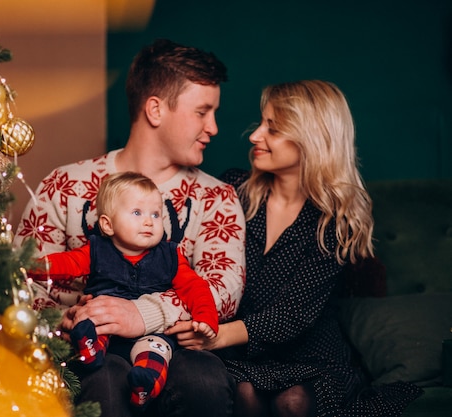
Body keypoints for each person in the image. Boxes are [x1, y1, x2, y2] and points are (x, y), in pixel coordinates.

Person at [13, 38, 245, 417]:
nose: (214, 127)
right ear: (155, 109)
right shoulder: (64, 185)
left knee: (202, 382)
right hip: (93, 348)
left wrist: (143, 314)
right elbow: (25, 277)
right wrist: (66, 320)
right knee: (103, 383)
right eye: (202, 112)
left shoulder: (216, 198)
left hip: (176, 350)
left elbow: (224, 289)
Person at [166, 80, 422, 417]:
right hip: (241, 355)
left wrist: (215, 336)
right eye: (261, 123)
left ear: (311, 139)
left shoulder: (336, 218)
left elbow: (294, 313)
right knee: (243, 392)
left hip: (309, 356)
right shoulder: (234, 190)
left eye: (272, 128)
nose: (255, 136)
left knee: (292, 401)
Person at [29, 171, 218, 409]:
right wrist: (29, 265)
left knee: (156, 350)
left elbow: (195, 287)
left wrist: (206, 318)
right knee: (92, 325)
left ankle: (144, 385)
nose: (149, 221)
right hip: (105, 324)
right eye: (137, 213)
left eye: (156, 214)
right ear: (108, 225)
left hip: (150, 333)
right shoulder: (96, 250)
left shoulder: (169, 256)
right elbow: (65, 264)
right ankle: (89, 350)